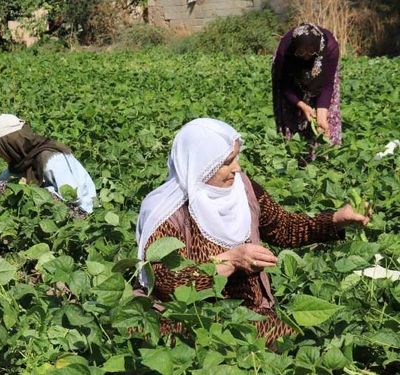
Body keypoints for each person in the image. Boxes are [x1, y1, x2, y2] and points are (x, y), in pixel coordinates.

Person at [136, 118, 369, 347]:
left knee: (301, 343)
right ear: (199, 165)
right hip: (193, 319)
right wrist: (230, 261)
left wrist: (337, 219)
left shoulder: (243, 190)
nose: (236, 168)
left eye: (236, 157)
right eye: (226, 162)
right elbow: (166, 283)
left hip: (249, 313)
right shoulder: (167, 212)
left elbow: (284, 228)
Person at [0, 114, 97, 214]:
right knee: (4, 187)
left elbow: (75, 196)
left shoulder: (51, 158)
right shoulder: (22, 162)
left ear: (9, 145)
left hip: (81, 212)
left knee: (12, 189)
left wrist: (30, 191)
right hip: (54, 212)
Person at [272, 23, 341, 161]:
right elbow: (284, 85)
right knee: (293, 116)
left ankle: (325, 158)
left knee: (325, 121)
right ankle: (298, 159)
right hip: (290, 77)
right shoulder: (285, 51)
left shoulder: (330, 47)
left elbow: (327, 85)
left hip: (322, 72)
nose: (306, 57)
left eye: (311, 52)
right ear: (295, 49)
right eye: (301, 52)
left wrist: (322, 114)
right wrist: (302, 105)